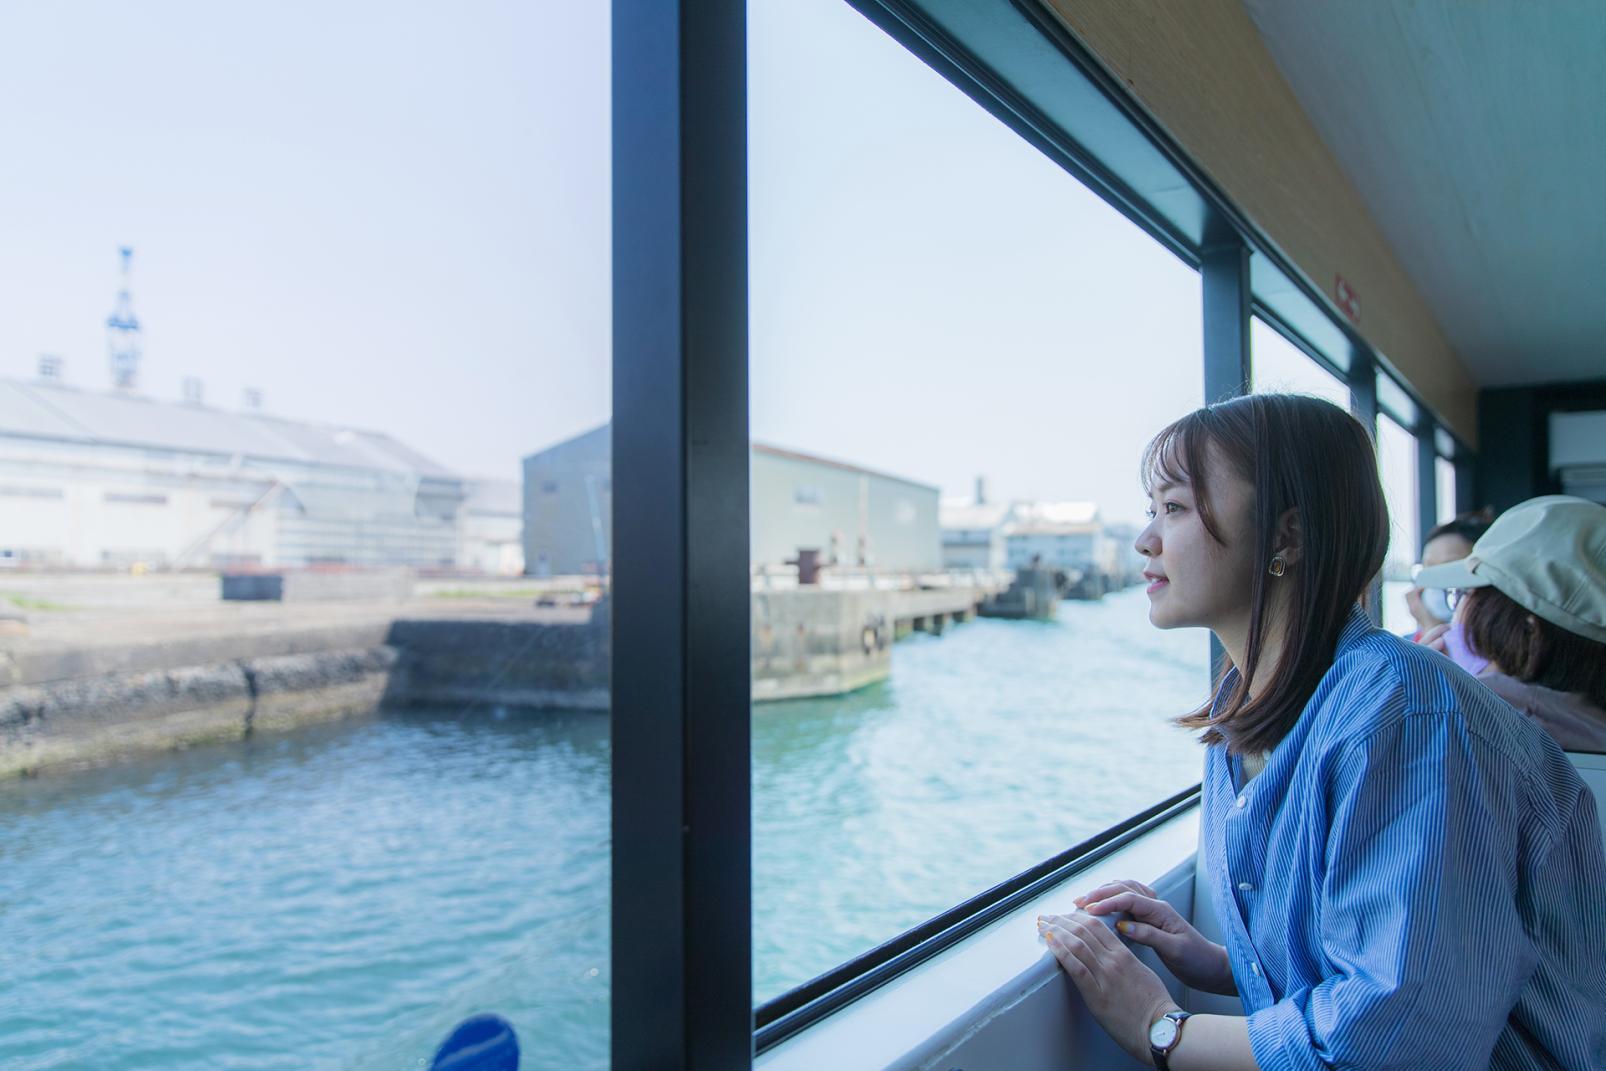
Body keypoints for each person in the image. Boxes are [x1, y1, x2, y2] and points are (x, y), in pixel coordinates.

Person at [1034, 394, 1606, 1070]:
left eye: (1177, 507)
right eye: (1151, 509)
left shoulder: (1406, 715)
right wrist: (1222, 961)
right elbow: (1379, 963)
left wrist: (1159, 1025)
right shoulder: (1248, 709)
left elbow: (1396, 1046)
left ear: (1288, 535)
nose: (1145, 539)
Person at [1414, 495, 1606, 753]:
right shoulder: (1588, 721)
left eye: (1464, 594)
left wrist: (1419, 685)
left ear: (1530, 631)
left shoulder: (1470, 708)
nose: (1457, 610)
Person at [1403, 507, 1492, 640]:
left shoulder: (1499, 646)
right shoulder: (1404, 648)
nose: (1435, 580)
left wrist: (1434, 630)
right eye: (1429, 567)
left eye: (1448, 567)